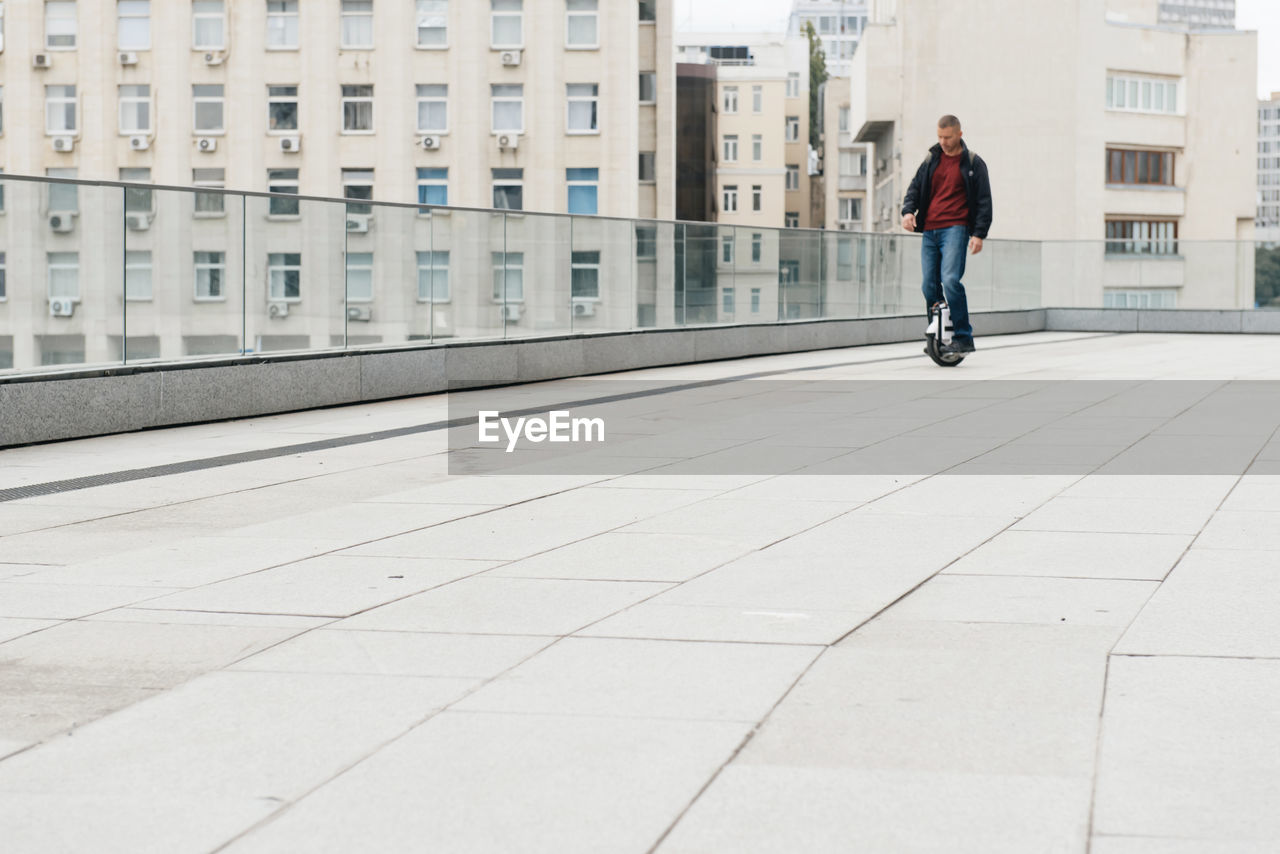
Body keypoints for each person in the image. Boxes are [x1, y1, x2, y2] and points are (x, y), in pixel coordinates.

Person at [901, 115, 993, 355]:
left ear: (959, 135)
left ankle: (963, 337)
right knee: (928, 286)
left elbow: (984, 201)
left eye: (948, 137)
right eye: (939, 137)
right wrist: (908, 211)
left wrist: (979, 234)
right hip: (930, 229)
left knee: (950, 280)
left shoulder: (973, 163)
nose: (942, 141)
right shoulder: (932, 159)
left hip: (956, 227)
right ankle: (940, 331)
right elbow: (915, 187)